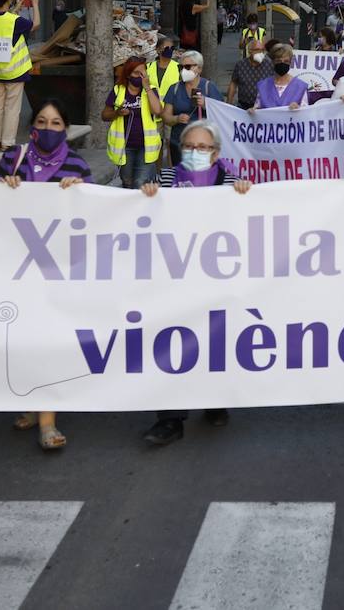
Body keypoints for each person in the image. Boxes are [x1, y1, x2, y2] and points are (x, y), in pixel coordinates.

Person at [138, 119, 251, 443]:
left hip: (216, 278)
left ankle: (214, 401)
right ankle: (170, 420)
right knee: (172, 344)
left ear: (215, 153)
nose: (195, 152)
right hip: (174, 276)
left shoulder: (229, 180)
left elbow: (249, 220)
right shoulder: (169, 177)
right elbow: (143, 212)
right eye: (189, 146)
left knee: (215, 342)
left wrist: (244, 195)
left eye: (202, 147)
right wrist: (146, 196)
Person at [0, 99, 91, 450]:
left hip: (58, 271)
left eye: (55, 123)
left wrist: (78, 192)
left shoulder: (76, 163)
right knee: (24, 340)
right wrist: (3, 187)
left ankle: (47, 421)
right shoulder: (13, 159)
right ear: (31, 126)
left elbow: (95, 216)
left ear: (65, 129)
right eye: (41, 122)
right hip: (19, 268)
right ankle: (35, 406)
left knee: (47, 340)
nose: (48, 129)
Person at [0, 0, 39, 151]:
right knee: (12, 108)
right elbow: (36, 24)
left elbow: (4, 18)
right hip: (13, 72)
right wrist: (34, 4)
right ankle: (7, 142)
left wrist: (16, 7)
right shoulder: (15, 21)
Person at [102, 56, 162, 188]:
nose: (141, 76)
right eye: (137, 73)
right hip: (124, 147)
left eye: (143, 72)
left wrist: (147, 88)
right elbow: (105, 115)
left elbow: (157, 111)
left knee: (140, 183)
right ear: (128, 75)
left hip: (146, 147)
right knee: (127, 182)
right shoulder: (118, 90)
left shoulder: (151, 90)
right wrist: (117, 113)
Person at [162, 50, 224, 164]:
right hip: (179, 144)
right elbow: (165, 116)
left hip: (203, 145)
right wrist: (176, 119)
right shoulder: (174, 89)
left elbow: (222, 114)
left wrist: (206, 104)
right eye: (181, 67)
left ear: (199, 69)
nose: (184, 70)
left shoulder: (209, 87)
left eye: (188, 66)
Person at [252, 43, 309, 111]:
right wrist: (252, 112)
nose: (282, 63)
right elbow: (257, 109)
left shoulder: (300, 86)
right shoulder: (263, 85)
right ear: (273, 62)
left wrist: (298, 109)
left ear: (290, 62)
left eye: (286, 61)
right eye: (278, 61)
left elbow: (306, 113)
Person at [227, 38, 274, 109]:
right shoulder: (240, 65)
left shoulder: (269, 64)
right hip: (243, 105)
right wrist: (228, 104)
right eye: (257, 50)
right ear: (250, 51)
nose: (260, 52)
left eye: (262, 50)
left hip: (263, 106)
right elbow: (233, 83)